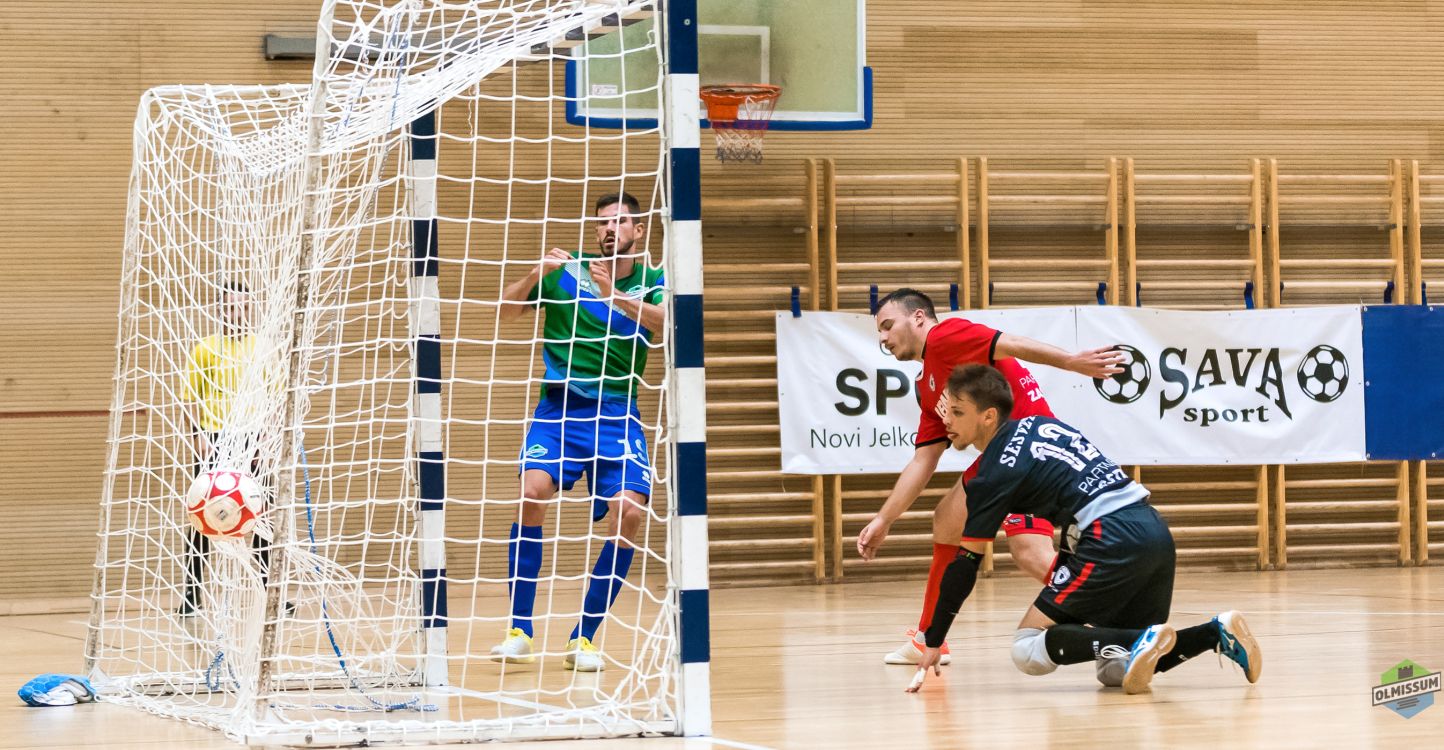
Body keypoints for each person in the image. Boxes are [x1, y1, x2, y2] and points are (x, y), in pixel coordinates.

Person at [907, 364, 1262, 694]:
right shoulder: (1040, 424)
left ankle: (1139, 639)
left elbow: (965, 565)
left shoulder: (993, 472)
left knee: (1026, 649)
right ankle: (1215, 633)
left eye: (957, 412)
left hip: (1110, 537)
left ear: (988, 416)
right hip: (1153, 530)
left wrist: (934, 639)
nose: (946, 421)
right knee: (1116, 669)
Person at [856, 288, 1124, 666]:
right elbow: (924, 459)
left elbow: (1009, 343)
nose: (883, 338)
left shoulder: (945, 336)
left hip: (1034, 452)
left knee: (1030, 553)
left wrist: (1071, 361)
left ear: (917, 318)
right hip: (1005, 458)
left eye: (887, 325)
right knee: (948, 520)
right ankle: (928, 637)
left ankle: (1115, 627)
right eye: (879, 332)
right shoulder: (927, 384)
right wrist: (885, 519)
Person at [490, 191, 666, 672]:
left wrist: (615, 297)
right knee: (531, 493)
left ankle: (583, 637)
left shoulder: (654, 280)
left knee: (629, 512)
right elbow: (504, 311)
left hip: (616, 412)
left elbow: (666, 325)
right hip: (559, 409)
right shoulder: (567, 271)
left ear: (638, 230)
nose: (610, 229)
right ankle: (519, 631)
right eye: (603, 223)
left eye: (620, 222)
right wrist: (535, 274)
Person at [180, 280, 272, 615]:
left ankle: (268, 592)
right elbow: (190, 398)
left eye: (244, 307)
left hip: (253, 440)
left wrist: (266, 439)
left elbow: (274, 396)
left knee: (263, 517)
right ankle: (191, 595)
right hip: (215, 440)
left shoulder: (263, 348)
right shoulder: (206, 349)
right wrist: (198, 437)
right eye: (232, 308)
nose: (238, 314)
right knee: (202, 518)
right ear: (220, 311)